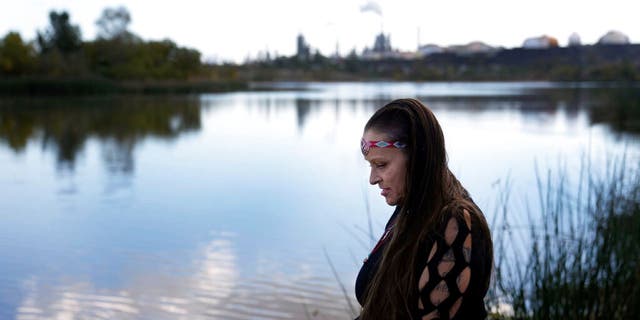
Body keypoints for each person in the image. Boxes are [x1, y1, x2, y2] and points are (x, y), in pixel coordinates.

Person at [355, 98, 493, 320]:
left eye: (381, 165)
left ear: (418, 157)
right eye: (371, 166)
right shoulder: (411, 208)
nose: (372, 179)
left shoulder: (455, 224)